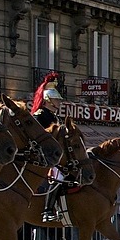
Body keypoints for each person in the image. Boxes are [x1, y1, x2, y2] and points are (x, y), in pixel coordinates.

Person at [31, 72, 66, 223]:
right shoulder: (40, 116)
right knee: (58, 176)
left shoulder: (54, 116)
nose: (59, 101)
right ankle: (47, 210)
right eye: (56, 99)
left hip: (56, 155)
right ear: (47, 99)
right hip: (45, 157)